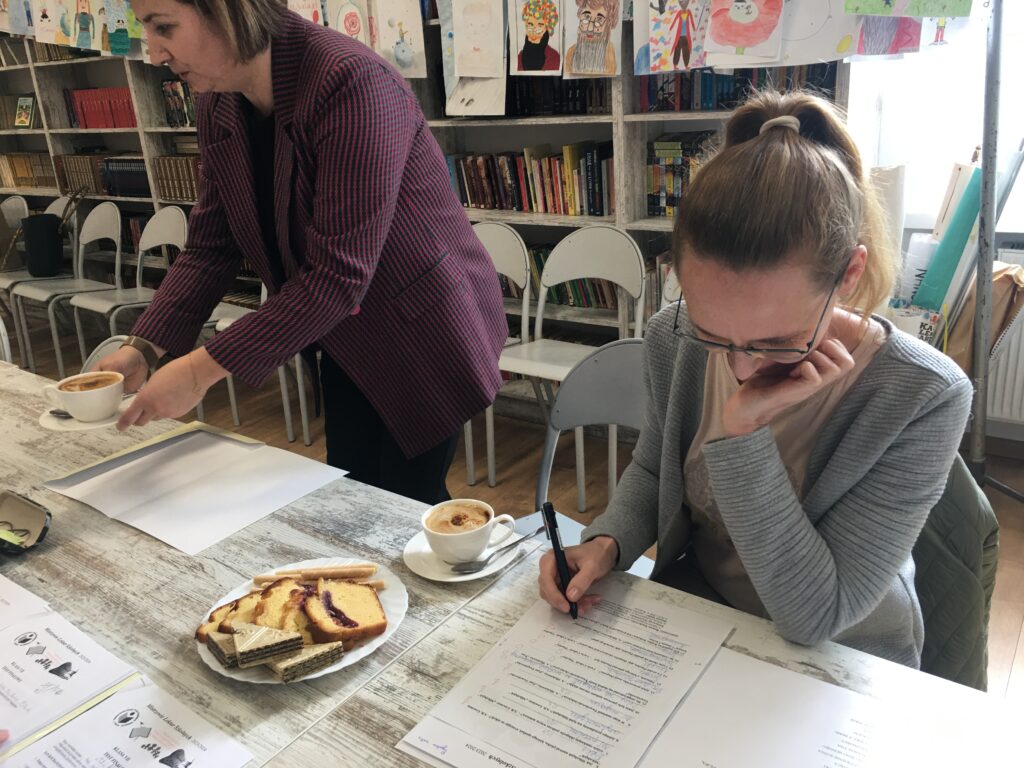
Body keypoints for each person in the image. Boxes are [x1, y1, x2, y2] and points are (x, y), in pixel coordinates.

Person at [538, 90, 972, 668]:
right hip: (699, 615)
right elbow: (656, 466)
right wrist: (606, 543)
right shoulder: (675, 335)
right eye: (714, 332)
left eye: (775, 342)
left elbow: (815, 616)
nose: (740, 367)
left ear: (849, 274)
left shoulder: (925, 395)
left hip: (840, 659)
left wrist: (743, 435)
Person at [100, 0, 507, 504]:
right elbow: (210, 247)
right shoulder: (220, 101)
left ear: (231, 12)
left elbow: (337, 275)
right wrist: (143, 348)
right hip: (340, 332)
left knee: (406, 505)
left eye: (164, 27)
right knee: (354, 495)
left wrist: (198, 371)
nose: (154, 52)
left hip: (422, 331)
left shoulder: (352, 83)